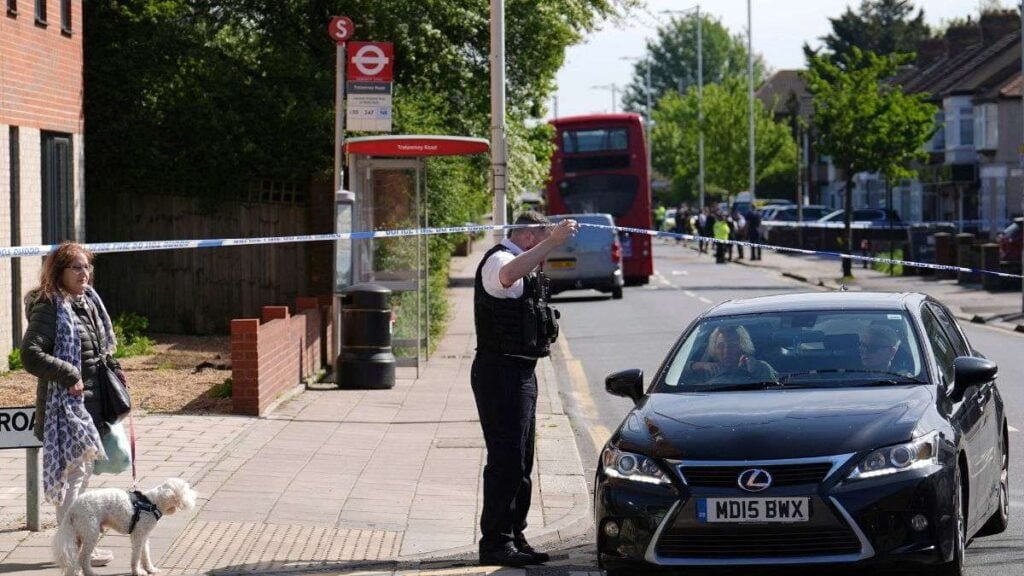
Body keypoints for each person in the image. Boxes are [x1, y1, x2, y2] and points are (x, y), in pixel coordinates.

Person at [472, 211, 578, 567]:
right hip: (499, 371)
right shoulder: (499, 259)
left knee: (522, 460)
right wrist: (553, 241)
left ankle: (515, 535)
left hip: (520, 370)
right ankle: (496, 543)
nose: (546, 250)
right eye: (542, 240)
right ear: (530, 235)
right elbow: (506, 277)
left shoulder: (520, 258)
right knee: (506, 460)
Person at [20, 242, 120, 568]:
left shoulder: (85, 302)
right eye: (76, 267)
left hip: (87, 403)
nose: (84, 273)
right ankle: (73, 551)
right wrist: (68, 373)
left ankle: (76, 547)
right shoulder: (49, 306)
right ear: (59, 271)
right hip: (63, 408)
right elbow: (30, 354)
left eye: (86, 266)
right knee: (72, 479)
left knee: (81, 475)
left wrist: (113, 369)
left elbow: (95, 348)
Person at [690, 325, 778, 382]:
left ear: (743, 347)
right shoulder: (706, 371)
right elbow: (678, 372)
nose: (726, 350)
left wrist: (755, 369)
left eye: (732, 345)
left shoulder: (760, 367)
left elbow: (774, 385)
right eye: (720, 346)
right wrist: (698, 365)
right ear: (714, 348)